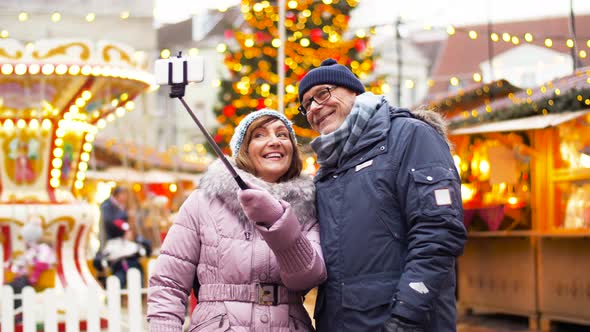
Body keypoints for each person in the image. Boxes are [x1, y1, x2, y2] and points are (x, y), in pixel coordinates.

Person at [297, 58, 467, 332]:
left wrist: (405, 316)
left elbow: (438, 231)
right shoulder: (327, 169)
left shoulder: (410, 136)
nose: (315, 107)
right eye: (306, 104)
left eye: (323, 93)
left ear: (354, 92)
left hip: (402, 322)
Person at [147, 109, 327, 331]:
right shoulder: (204, 201)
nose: (274, 141)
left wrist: (277, 220)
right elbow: (169, 283)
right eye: (259, 135)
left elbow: (307, 278)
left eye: (282, 135)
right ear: (244, 150)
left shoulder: (308, 205)